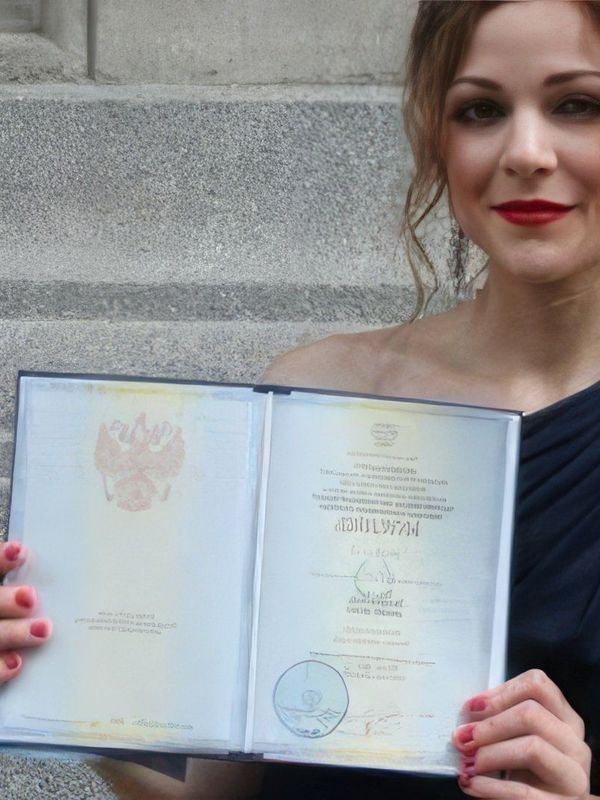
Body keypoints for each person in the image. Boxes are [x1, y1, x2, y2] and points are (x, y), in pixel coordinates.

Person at [1, 1, 599, 797]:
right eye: (481, 110)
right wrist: (59, 672)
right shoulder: (319, 396)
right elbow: (218, 789)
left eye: (577, 104)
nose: (526, 152)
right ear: (436, 137)